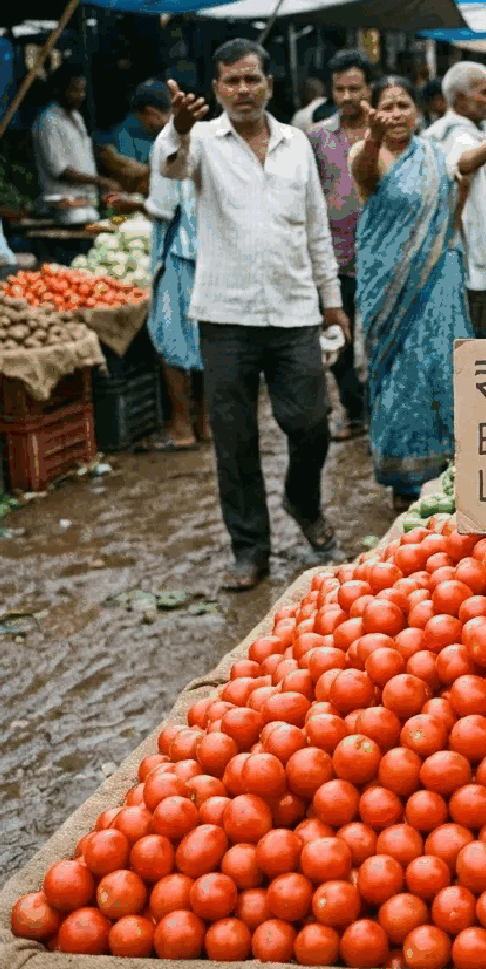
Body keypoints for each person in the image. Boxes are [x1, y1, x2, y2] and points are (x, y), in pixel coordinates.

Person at [159, 38, 350, 592]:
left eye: (252, 79)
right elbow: (169, 166)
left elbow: (316, 227)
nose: (242, 90)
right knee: (234, 437)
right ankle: (250, 549)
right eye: (231, 82)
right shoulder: (201, 143)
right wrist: (178, 126)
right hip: (226, 313)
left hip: (294, 310)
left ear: (269, 83)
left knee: (311, 423)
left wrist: (331, 300)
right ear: (216, 88)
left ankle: (302, 500)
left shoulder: (295, 145)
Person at [348, 76, 473, 510]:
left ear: (418, 112)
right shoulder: (366, 154)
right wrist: (373, 138)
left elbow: (452, 210)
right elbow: (364, 176)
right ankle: (406, 483)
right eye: (388, 106)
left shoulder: (434, 156)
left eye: (404, 106)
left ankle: (452, 474)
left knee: (442, 368)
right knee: (399, 380)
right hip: (387, 294)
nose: (397, 114)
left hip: (437, 287)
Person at [424, 61, 486, 339]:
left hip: (468, 264)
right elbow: (464, 163)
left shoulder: (442, 133)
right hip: (474, 270)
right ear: (459, 99)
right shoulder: (457, 136)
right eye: (485, 93)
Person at [307, 48, 374, 442]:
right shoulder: (316, 138)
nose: (347, 97)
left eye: (355, 88)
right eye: (340, 89)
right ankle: (354, 411)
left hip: (383, 254)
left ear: (369, 88)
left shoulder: (386, 131)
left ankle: (384, 408)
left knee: (383, 335)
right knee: (338, 336)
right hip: (336, 255)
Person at [144, 122, 206, 451]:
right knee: (205, 335)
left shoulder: (168, 140)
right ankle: (205, 423)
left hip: (176, 249)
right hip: (206, 250)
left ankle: (182, 426)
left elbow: (165, 203)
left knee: (171, 338)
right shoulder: (213, 137)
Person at [31, 66, 116, 224]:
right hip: (63, 208)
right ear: (59, 89)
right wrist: (100, 181)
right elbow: (60, 170)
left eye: (82, 91)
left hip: (87, 205)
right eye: (75, 91)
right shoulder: (48, 121)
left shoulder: (77, 117)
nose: (80, 96)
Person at [96, 81, 173, 194]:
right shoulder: (122, 136)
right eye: (167, 115)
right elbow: (131, 179)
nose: (169, 122)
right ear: (151, 112)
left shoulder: (156, 135)